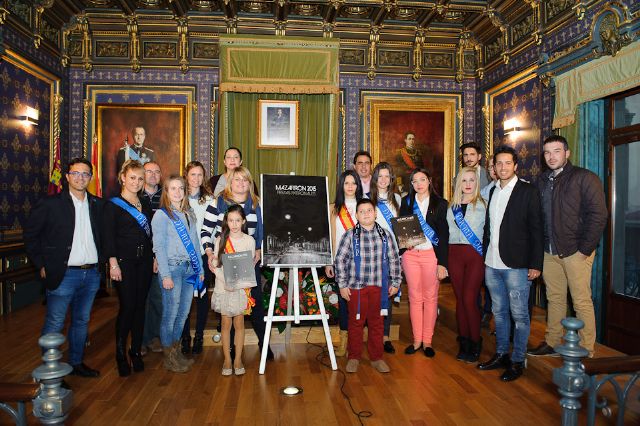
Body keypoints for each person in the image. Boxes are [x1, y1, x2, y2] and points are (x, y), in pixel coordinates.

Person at [528, 135, 607, 358]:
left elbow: (599, 216)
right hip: (548, 251)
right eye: (547, 152)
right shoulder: (541, 181)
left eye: (557, 151)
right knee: (554, 298)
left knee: (580, 300)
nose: (551, 156)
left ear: (567, 153)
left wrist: (584, 250)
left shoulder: (585, 177)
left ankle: (586, 350)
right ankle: (552, 342)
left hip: (576, 251)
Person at [24, 158, 104, 378]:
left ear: (90, 178)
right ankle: (51, 372)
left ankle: (76, 363)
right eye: (75, 173)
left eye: (85, 174)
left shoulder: (97, 205)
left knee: (81, 321)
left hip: (91, 274)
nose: (80, 177)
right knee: (55, 322)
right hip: (63, 274)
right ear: (67, 177)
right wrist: (41, 264)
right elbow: (31, 236)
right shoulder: (50, 204)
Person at [478, 145, 543, 382]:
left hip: (517, 265)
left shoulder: (528, 191)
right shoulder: (492, 191)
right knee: (499, 313)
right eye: (499, 163)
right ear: (494, 167)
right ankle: (501, 354)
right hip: (492, 263)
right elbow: (490, 228)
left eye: (508, 163)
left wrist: (535, 264)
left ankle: (517, 360)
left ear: (515, 165)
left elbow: (537, 230)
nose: (503, 167)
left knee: (520, 315)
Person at [201, 166, 274, 360]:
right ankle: (231, 349)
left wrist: (259, 249)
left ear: (249, 183)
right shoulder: (218, 202)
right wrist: (209, 253)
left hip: (250, 261)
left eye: (245, 180)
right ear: (230, 182)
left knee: (254, 303)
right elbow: (206, 231)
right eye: (237, 179)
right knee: (230, 306)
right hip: (225, 261)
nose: (241, 183)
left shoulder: (257, 203)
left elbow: (264, 230)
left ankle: (264, 343)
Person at [335, 199, 402, 373]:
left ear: (375, 213)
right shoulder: (350, 235)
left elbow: (394, 259)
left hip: (379, 287)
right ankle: (354, 357)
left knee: (377, 323)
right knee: (355, 323)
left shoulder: (385, 235)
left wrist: (396, 282)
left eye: (369, 210)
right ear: (356, 215)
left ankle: (377, 357)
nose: (366, 214)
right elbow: (340, 260)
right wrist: (342, 285)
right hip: (356, 287)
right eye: (362, 211)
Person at [103, 160, 155, 377]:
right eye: (132, 177)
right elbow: (107, 237)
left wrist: (154, 257)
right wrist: (113, 263)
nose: (136, 182)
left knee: (140, 306)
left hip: (144, 261)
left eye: (140, 178)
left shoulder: (145, 203)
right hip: (123, 263)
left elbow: (150, 234)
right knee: (127, 306)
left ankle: (135, 351)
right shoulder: (112, 205)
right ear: (123, 178)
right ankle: (120, 354)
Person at [151, 175, 203, 373]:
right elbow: (159, 247)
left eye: (181, 188)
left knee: (183, 314)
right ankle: (169, 356)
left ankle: (176, 351)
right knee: (170, 314)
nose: (177, 192)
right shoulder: (161, 215)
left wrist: (200, 269)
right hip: (172, 268)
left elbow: (195, 243)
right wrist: (165, 275)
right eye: (172, 188)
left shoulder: (189, 213)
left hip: (189, 269)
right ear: (166, 191)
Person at [399, 168, 449, 358]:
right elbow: (401, 228)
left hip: (431, 256)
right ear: (411, 184)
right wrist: (404, 243)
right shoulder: (407, 202)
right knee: (414, 297)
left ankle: (427, 341)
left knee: (430, 298)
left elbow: (443, 235)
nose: (419, 184)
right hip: (411, 256)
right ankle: (417, 340)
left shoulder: (440, 203)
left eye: (422, 179)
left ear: (429, 181)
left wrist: (442, 263)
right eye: (415, 181)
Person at [446, 166, 486, 363]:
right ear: (458, 183)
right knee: (460, 299)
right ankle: (464, 340)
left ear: (477, 183)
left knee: (470, 298)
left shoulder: (483, 205)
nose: (468, 184)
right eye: (464, 180)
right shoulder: (451, 207)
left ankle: (475, 340)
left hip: (474, 256)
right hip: (454, 254)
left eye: (472, 180)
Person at [210, 205, 256, 376]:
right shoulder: (220, 240)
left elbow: (248, 266)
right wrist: (226, 282)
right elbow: (216, 265)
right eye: (231, 220)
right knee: (225, 324)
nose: (234, 224)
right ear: (226, 221)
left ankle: (237, 359)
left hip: (240, 288)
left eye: (238, 220)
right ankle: (227, 360)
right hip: (224, 286)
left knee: (239, 323)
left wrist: (236, 284)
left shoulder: (249, 241)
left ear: (243, 221)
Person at [325, 170, 363, 357]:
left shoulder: (365, 206)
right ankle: (344, 342)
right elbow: (328, 237)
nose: (350, 186)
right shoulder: (332, 209)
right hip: (340, 262)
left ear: (358, 185)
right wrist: (328, 262)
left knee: (359, 303)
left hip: (362, 262)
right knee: (343, 302)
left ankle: (356, 343)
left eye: (353, 183)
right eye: (346, 183)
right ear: (341, 185)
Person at [181, 161, 215, 354]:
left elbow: (213, 228)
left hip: (202, 255)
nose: (196, 178)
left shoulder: (209, 199)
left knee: (201, 297)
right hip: (183, 257)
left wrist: (210, 251)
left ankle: (199, 336)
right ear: (186, 176)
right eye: (192, 174)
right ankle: (185, 336)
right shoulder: (178, 196)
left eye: (200, 175)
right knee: (184, 298)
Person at [369, 162, 402, 354]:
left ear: (391, 179)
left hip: (391, 255)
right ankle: (374, 334)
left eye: (387, 176)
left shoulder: (397, 199)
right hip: (372, 255)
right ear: (375, 179)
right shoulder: (367, 199)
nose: (383, 180)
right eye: (380, 176)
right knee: (372, 295)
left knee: (388, 295)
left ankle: (385, 336)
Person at [141, 161, 163, 356]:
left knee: (157, 298)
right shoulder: (134, 195)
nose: (153, 175)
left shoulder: (165, 196)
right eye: (149, 171)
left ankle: (154, 336)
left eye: (157, 172)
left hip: (159, 255)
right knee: (140, 299)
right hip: (138, 255)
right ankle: (139, 339)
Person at [479, 154, 497, 328]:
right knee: (489, 283)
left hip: (510, 248)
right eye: (491, 167)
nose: (494, 170)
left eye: (496, 165)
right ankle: (487, 312)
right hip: (489, 245)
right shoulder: (484, 192)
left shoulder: (522, 187)